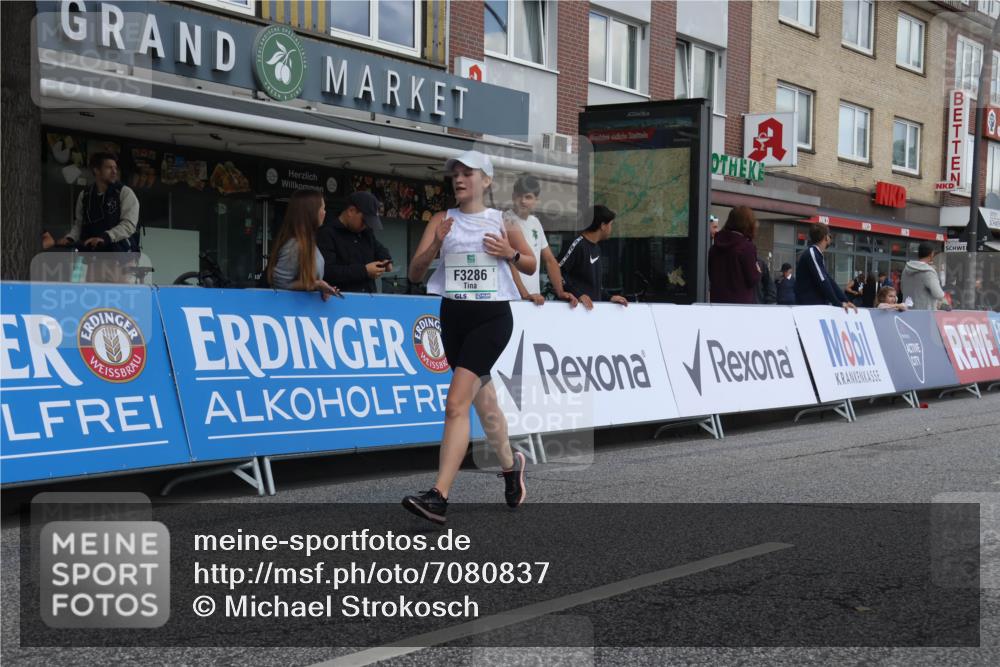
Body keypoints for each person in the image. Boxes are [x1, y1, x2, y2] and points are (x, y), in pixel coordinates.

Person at [402, 150, 537, 524]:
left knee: (455, 404)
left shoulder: (502, 219)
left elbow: (530, 263)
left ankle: (439, 496)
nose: (459, 180)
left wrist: (509, 252)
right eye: (455, 174)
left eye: (468, 174)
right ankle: (511, 467)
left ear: (487, 181)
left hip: (492, 319)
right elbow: (415, 273)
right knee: (484, 403)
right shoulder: (441, 220)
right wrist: (435, 244)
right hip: (453, 317)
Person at [58, 152, 140, 283]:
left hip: (122, 257)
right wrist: (70, 237)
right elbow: (79, 223)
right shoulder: (84, 195)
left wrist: (105, 237)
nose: (114, 171)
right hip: (94, 258)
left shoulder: (125, 192)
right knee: (94, 298)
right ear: (96, 170)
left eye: (115, 168)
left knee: (120, 299)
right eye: (109, 168)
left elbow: (129, 225)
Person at [504, 174, 578, 307]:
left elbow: (549, 260)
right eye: (519, 196)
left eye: (528, 197)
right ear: (513, 196)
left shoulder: (535, 222)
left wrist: (560, 292)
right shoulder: (506, 220)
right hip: (513, 299)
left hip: (534, 299)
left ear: (536, 200)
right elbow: (510, 261)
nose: (523, 201)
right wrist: (524, 295)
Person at [266, 190, 341, 300]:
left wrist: (322, 287)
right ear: (311, 212)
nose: (325, 212)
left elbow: (308, 281)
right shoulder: (294, 245)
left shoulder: (308, 242)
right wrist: (315, 284)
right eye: (322, 208)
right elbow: (280, 284)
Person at [317, 191, 393, 293]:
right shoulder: (327, 233)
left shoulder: (366, 233)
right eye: (364, 220)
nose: (366, 225)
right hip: (340, 301)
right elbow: (328, 272)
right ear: (351, 211)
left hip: (368, 300)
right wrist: (364, 271)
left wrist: (386, 260)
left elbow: (379, 248)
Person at [557, 205, 629, 309]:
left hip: (593, 312)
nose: (611, 228)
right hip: (575, 311)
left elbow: (594, 287)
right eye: (611, 224)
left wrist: (610, 297)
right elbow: (556, 272)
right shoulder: (577, 244)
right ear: (603, 225)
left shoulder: (596, 248)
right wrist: (578, 294)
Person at [793, 223, 857, 312]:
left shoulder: (817, 254)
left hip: (815, 305)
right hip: (809, 306)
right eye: (829, 235)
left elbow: (828, 280)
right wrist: (838, 303)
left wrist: (845, 300)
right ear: (826, 237)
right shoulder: (812, 254)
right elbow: (823, 281)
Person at [708, 206, 761, 304]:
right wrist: (758, 271)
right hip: (740, 307)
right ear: (748, 224)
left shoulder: (715, 247)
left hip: (717, 304)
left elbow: (711, 276)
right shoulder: (746, 247)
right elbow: (752, 279)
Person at [901, 242, 949, 310]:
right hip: (925, 313)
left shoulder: (905, 270)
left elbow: (902, 289)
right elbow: (938, 294)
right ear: (931, 254)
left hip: (907, 311)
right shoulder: (928, 272)